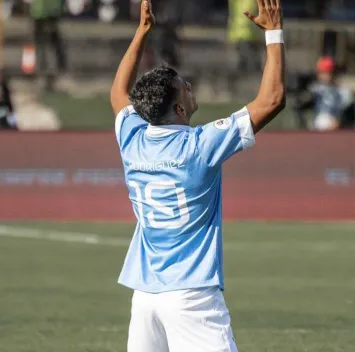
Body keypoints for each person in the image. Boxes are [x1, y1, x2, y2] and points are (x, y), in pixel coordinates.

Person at [110, 0, 285, 350]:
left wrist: (141, 32)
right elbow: (273, 99)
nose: (189, 86)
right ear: (178, 108)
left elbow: (117, 92)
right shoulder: (200, 145)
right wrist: (274, 35)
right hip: (191, 296)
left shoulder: (131, 138)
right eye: (184, 86)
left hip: (144, 295)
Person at [294, 56, 355, 131]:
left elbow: (351, 117)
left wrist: (340, 122)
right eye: (323, 72)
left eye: (329, 72)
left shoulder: (344, 91)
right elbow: (299, 106)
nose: (326, 76)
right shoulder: (315, 89)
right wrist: (304, 125)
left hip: (338, 131)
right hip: (317, 131)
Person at [27, 0, 67, 76]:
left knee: (41, 40)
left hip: (40, 11)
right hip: (52, 10)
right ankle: (60, 64)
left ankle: (43, 64)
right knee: (54, 40)